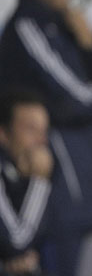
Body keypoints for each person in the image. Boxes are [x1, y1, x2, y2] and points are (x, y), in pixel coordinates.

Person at [0, 0, 92, 276]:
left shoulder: (63, 28)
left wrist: (91, 45)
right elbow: (82, 99)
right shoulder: (26, 29)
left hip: (78, 186)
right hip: (52, 195)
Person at [0, 90, 53, 276]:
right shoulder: (39, 176)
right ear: (3, 133)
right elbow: (17, 241)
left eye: (44, 131)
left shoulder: (23, 174)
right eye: (31, 129)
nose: (41, 141)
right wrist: (40, 181)